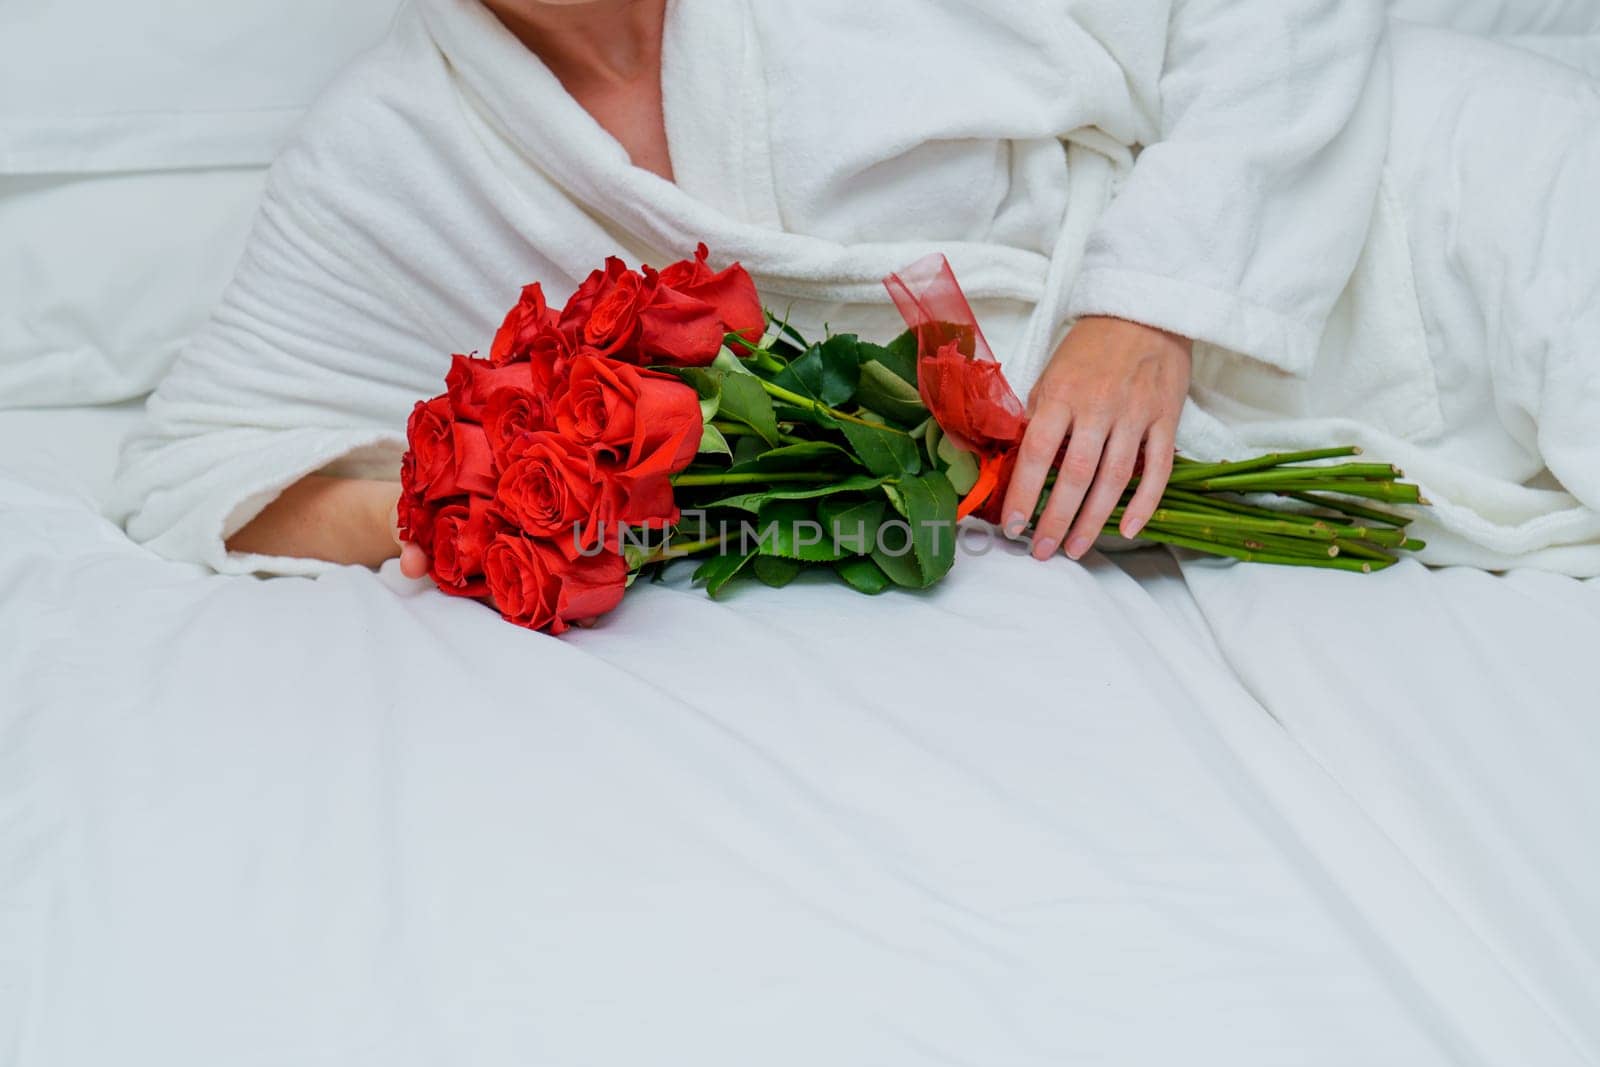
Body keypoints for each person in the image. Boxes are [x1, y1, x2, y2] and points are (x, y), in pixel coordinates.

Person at [112, 0, 1600, 580]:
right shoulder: (405, 144)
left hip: (1435, 199)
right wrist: (487, 500)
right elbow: (204, 467)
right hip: (1267, 449)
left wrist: (1156, 307)